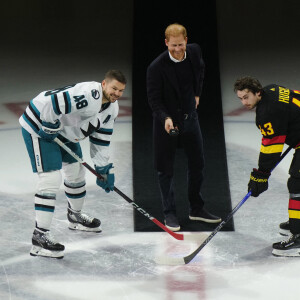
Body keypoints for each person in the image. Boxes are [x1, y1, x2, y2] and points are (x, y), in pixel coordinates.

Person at [19, 70, 127, 258]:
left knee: (77, 172)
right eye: (114, 88)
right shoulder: (89, 95)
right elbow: (54, 103)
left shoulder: (112, 109)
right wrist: (48, 124)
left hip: (62, 131)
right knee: (51, 178)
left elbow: (101, 140)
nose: (116, 93)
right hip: (39, 125)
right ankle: (39, 237)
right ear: (104, 84)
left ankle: (75, 216)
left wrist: (103, 169)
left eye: (121, 91)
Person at [146, 23, 221, 232]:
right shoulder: (156, 67)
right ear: (166, 43)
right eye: (173, 46)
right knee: (165, 169)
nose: (177, 49)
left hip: (191, 119)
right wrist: (165, 118)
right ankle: (169, 213)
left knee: (198, 164)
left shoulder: (195, 52)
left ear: (186, 41)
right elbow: (154, 100)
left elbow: (201, 70)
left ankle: (196, 208)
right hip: (166, 122)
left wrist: (197, 94)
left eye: (180, 45)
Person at [234, 76, 300, 257]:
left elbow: (271, 149)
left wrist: (260, 175)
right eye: (240, 98)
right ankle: (298, 222)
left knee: (297, 183)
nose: (244, 102)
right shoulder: (272, 90)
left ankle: (299, 236)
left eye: (246, 97)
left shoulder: (267, 113)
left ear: (257, 92)